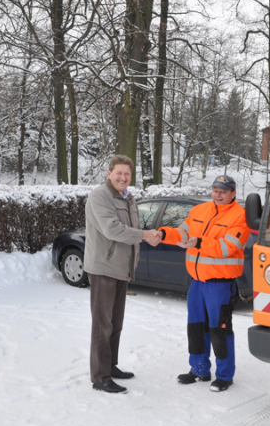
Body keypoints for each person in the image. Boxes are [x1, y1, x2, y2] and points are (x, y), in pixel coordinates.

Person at [158, 175, 251, 392]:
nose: (218, 195)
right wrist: (163, 233)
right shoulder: (199, 211)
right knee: (196, 328)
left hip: (220, 284)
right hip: (197, 283)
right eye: (215, 190)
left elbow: (227, 247)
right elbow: (182, 232)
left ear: (233, 193)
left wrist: (198, 242)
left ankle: (225, 375)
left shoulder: (240, 216)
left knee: (220, 329)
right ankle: (199, 369)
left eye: (223, 191)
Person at [85, 154, 161, 394]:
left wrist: (130, 268)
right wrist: (145, 235)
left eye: (127, 174)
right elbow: (113, 230)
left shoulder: (128, 198)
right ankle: (100, 377)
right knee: (102, 325)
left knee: (116, 323)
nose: (123, 177)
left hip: (120, 270)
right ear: (109, 173)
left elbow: (132, 235)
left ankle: (110, 365)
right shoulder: (100, 196)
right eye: (118, 173)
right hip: (103, 268)